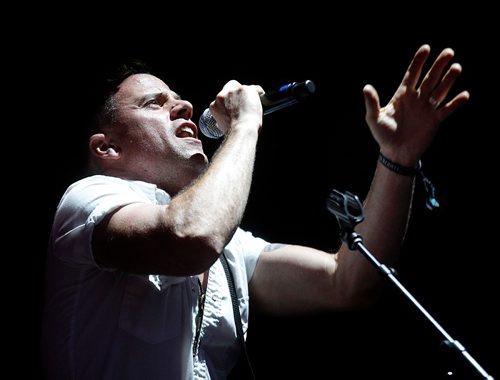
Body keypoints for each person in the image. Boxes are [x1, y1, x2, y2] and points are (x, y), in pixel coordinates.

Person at [42, 44, 469, 379]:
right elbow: (191, 238)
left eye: (178, 98)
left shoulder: (234, 249)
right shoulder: (88, 200)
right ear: (107, 148)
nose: (185, 106)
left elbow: (348, 283)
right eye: (154, 102)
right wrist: (247, 124)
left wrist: (398, 158)